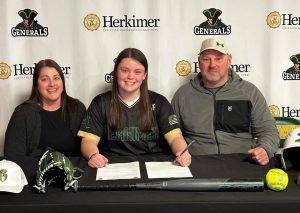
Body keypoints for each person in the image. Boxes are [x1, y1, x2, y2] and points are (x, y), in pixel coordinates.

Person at [171, 37, 279, 165]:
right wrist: (181, 153)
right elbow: (172, 135)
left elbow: (268, 130)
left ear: (229, 61)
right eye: (206, 59)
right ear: (199, 62)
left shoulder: (249, 92)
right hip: (197, 164)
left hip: (243, 163)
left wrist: (264, 149)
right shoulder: (182, 95)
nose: (212, 65)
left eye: (218, 58)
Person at [78, 48, 191, 168]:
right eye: (125, 70)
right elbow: (88, 141)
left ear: (144, 75)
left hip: (153, 166)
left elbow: (175, 138)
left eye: (137, 72)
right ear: (116, 72)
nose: (130, 76)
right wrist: (93, 155)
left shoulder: (159, 102)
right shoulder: (101, 102)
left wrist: (183, 152)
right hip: (112, 166)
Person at [4, 59, 86, 159]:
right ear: (36, 85)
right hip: (34, 173)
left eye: (56, 78)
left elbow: (88, 146)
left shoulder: (77, 108)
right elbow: (13, 157)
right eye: (44, 79)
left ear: (62, 82)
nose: (52, 84)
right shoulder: (23, 113)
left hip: (76, 172)